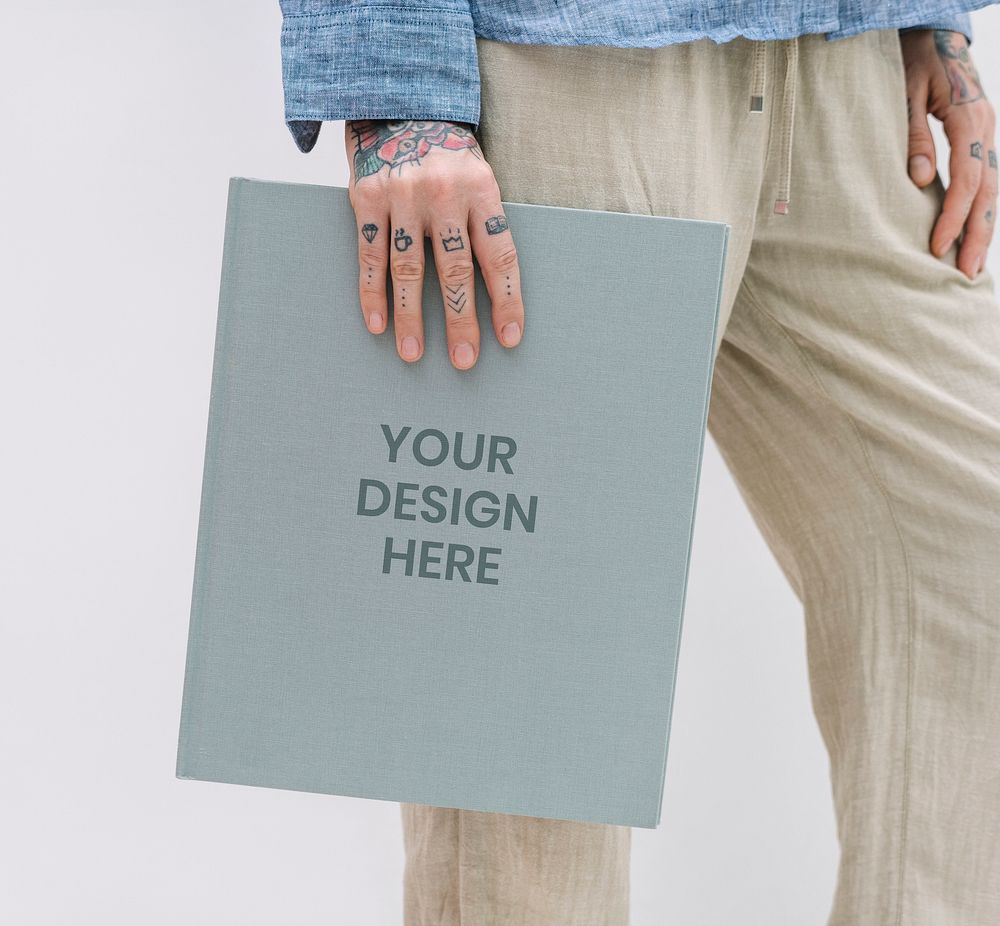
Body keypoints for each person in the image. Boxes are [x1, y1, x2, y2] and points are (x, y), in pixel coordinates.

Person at [277, 2, 1000, 923]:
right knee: (535, 734)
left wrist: (937, 22)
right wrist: (394, 87)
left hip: (852, 67)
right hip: (574, 70)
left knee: (973, 556)